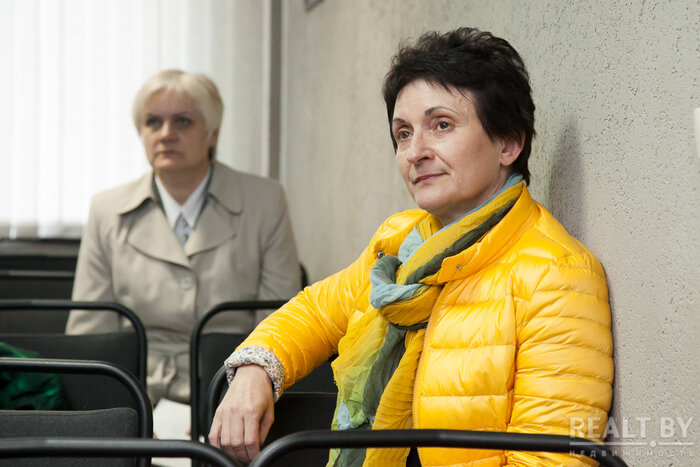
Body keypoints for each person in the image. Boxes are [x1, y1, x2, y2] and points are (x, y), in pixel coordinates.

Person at [209, 27, 614, 467]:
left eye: (441, 125)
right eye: (403, 133)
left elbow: (552, 460)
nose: (415, 151)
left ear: (509, 143)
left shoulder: (557, 274)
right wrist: (255, 371)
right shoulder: (402, 240)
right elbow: (316, 311)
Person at [66, 70, 302, 405]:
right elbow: (91, 338)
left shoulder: (265, 201)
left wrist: (234, 404)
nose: (166, 134)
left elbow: (279, 327)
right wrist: (124, 415)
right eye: (153, 122)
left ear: (212, 133)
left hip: (233, 389)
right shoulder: (106, 210)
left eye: (183, 121)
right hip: (135, 391)